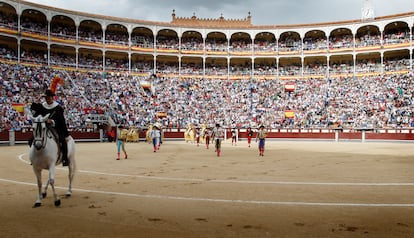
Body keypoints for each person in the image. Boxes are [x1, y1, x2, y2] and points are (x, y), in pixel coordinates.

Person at [38, 89, 71, 166]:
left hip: (56, 127)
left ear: (52, 98)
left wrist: (52, 121)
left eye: (48, 98)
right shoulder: (42, 106)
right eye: (46, 98)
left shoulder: (58, 108)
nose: (47, 99)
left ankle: (65, 159)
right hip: (44, 127)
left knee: (62, 140)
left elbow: (61, 120)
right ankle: (35, 157)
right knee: (33, 139)